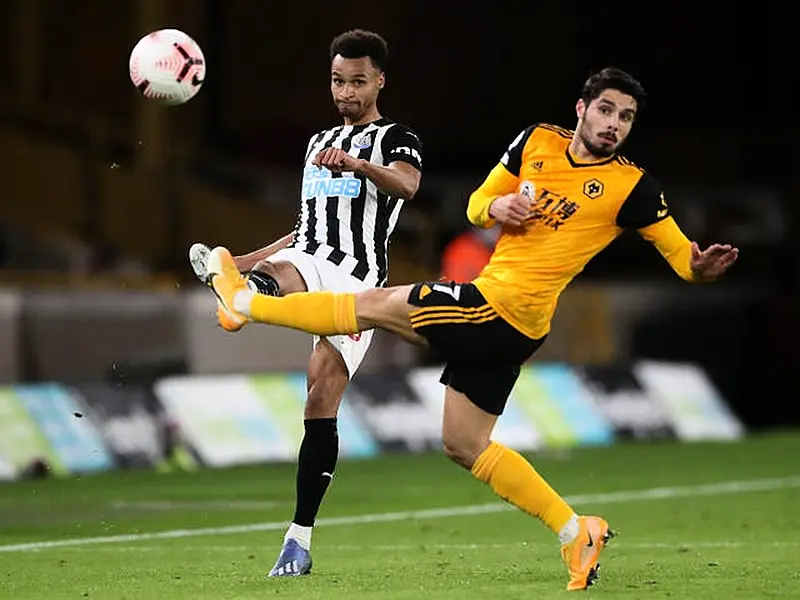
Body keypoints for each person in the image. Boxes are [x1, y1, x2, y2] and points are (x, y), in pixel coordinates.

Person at [203, 67, 738, 591]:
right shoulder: (535, 143)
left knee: (371, 305)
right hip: (508, 318)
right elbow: (476, 205)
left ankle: (244, 300)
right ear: (581, 108)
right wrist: (499, 205)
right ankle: (577, 531)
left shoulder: (632, 187)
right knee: (464, 443)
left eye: (625, 117)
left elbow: (679, 254)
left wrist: (698, 269)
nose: (614, 123)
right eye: (605, 109)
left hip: (501, 308)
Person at [189, 29, 422, 577]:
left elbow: (408, 186)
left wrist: (359, 167)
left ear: (379, 80)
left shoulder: (395, 137)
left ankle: (299, 536)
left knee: (321, 401)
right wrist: (241, 262)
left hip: (357, 282)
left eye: (358, 81)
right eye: (338, 81)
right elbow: (302, 229)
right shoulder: (317, 143)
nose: (346, 91)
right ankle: (240, 291)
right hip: (307, 260)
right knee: (279, 270)